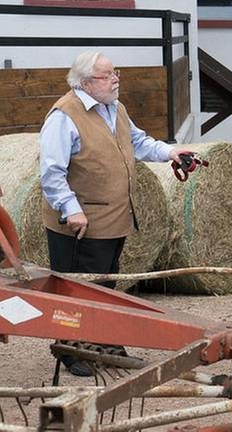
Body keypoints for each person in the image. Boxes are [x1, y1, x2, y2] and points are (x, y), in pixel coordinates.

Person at [39, 51, 186, 376]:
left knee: (105, 283)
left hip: (113, 220)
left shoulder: (115, 109)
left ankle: (105, 342)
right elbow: (51, 172)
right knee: (75, 288)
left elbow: (138, 142)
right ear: (86, 82)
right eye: (108, 75)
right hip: (79, 224)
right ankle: (72, 349)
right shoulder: (64, 116)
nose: (116, 79)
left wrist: (170, 152)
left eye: (115, 72)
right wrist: (71, 209)